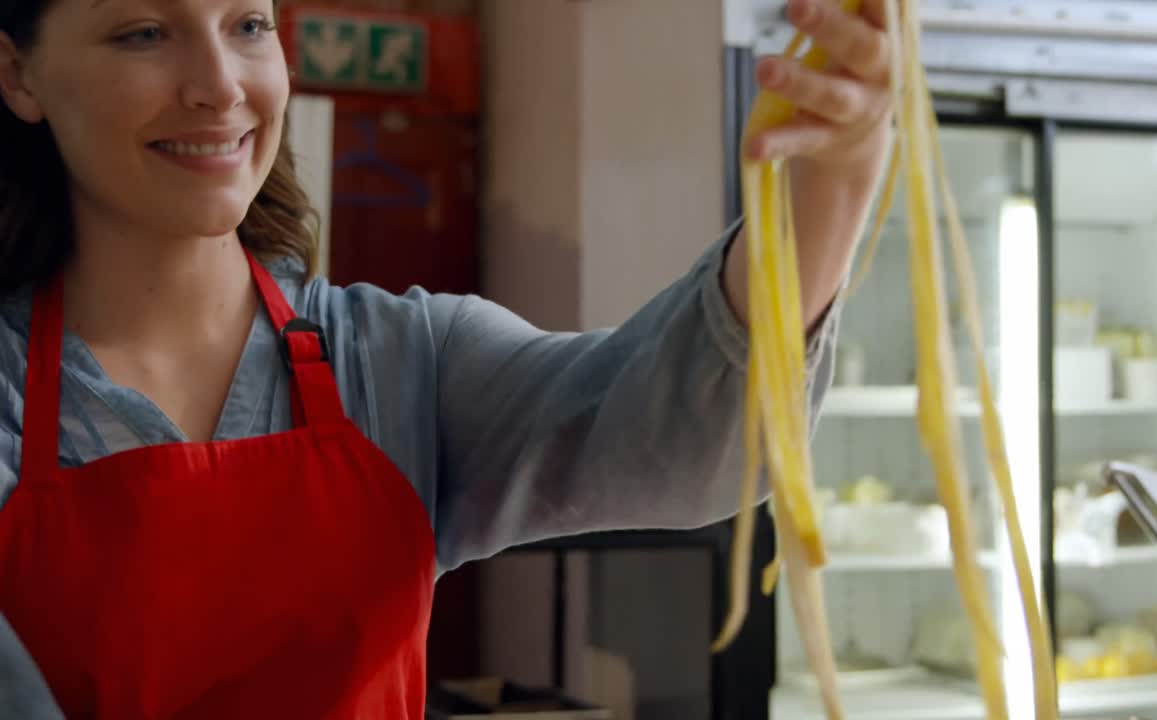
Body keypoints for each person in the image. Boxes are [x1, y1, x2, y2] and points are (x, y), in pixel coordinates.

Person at [0, 0, 891, 717]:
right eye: (144, 33)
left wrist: (832, 182)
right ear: (20, 72)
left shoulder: (401, 360)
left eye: (248, 25)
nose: (220, 86)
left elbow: (692, 450)